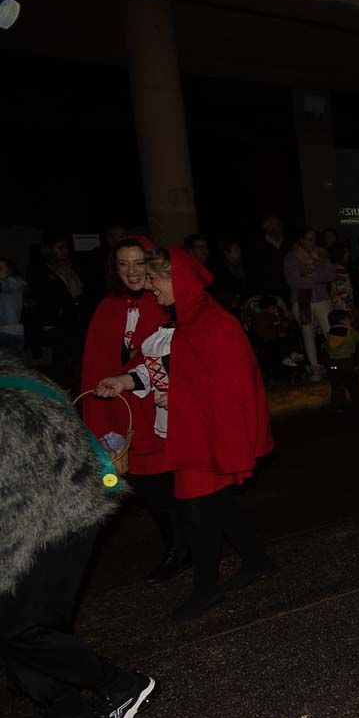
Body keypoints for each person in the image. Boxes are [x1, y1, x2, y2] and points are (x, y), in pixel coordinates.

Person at [96, 248, 275, 621]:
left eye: (156, 279)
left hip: (206, 434)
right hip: (187, 430)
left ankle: (206, 588)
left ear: (179, 281)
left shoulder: (213, 324)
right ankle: (257, 562)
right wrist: (124, 380)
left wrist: (177, 395)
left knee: (196, 510)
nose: (149, 286)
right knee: (219, 502)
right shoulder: (178, 321)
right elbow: (156, 369)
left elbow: (228, 385)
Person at [0, 356, 156, 718]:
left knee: (22, 627)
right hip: (43, 510)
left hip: (62, 514)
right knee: (12, 626)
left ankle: (119, 685)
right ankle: (62, 707)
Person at [81, 236, 189, 587]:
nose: (131, 271)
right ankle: (179, 546)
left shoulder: (166, 301)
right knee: (145, 483)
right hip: (125, 409)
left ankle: (186, 548)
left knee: (172, 481)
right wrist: (99, 417)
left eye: (139, 263)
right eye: (123, 264)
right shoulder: (108, 307)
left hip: (159, 406)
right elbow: (95, 364)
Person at [29, 234, 85, 386]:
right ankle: (59, 388)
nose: (65, 251)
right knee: (60, 356)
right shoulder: (41, 271)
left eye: (66, 248)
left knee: (76, 354)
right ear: (49, 250)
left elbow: (78, 293)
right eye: (60, 248)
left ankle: (73, 386)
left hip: (74, 319)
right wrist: (50, 319)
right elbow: (42, 298)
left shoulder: (70, 268)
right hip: (56, 322)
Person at [284, 228, 336, 383]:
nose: (311, 242)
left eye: (313, 239)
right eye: (308, 239)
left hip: (321, 299)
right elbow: (293, 280)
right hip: (302, 302)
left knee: (331, 333)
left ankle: (336, 364)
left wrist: (310, 276)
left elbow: (331, 274)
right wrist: (314, 279)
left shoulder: (322, 255)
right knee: (308, 335)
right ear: (301, 240)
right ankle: (315, 368)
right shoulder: (291, 258)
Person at [325, 309, 359, 412]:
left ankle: (338, 407)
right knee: (353, 385)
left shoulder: (330, 332)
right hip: (346, 363)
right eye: (349, 318)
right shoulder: (350, 332)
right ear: (344, 320)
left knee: (337, 387)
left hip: (332, 364)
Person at [251, 215, 288, 299]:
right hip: (269, 290)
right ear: (267, 228)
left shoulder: (287, 243)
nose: (278, 227)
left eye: (279, 224)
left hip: (287, 287)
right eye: (274, 225)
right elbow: (256, 270)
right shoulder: (259, 246)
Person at [209, 238, 249, 314]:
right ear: (227, 253)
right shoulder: (220, 272)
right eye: (235, 250)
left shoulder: (245, 266)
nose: (239, 251)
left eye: (238, 248)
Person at [0, 256, 27, 354]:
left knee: (12, 362)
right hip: (4, 328)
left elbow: (5, 286)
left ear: (10, 271)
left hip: (11, 330)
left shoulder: (15, 282)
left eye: (0, 268)